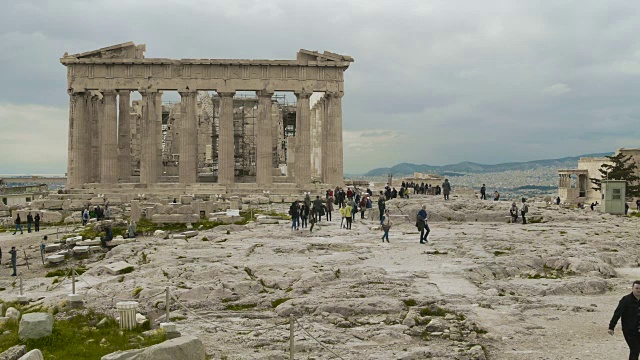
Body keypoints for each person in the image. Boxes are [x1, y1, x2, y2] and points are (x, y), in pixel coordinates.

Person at [609, 280, 640, 359]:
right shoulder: (626, 300)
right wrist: (611, 327)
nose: (638, 290)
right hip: (629, 330)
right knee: (635, 349)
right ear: (632, 288)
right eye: (636, 288)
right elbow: (617, 313)